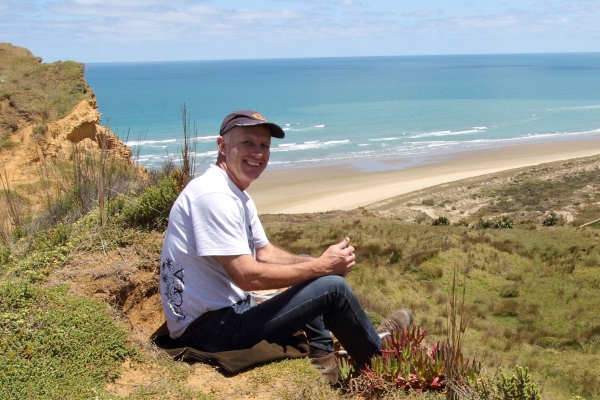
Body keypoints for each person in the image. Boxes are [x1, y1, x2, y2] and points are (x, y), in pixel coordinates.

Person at [159, 110, 413, 383]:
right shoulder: (213, 196)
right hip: (211, 332)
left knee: (308, 265)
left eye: (264, 145)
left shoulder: (234, 192)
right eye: (248, 142)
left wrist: (316, 264)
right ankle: (379, 360)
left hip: (223, 315)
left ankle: (324, 357)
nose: (258, 152)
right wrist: (322, 268)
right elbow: (247, 275)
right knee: (334, 289)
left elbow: (265, 252)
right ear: (223, 146)